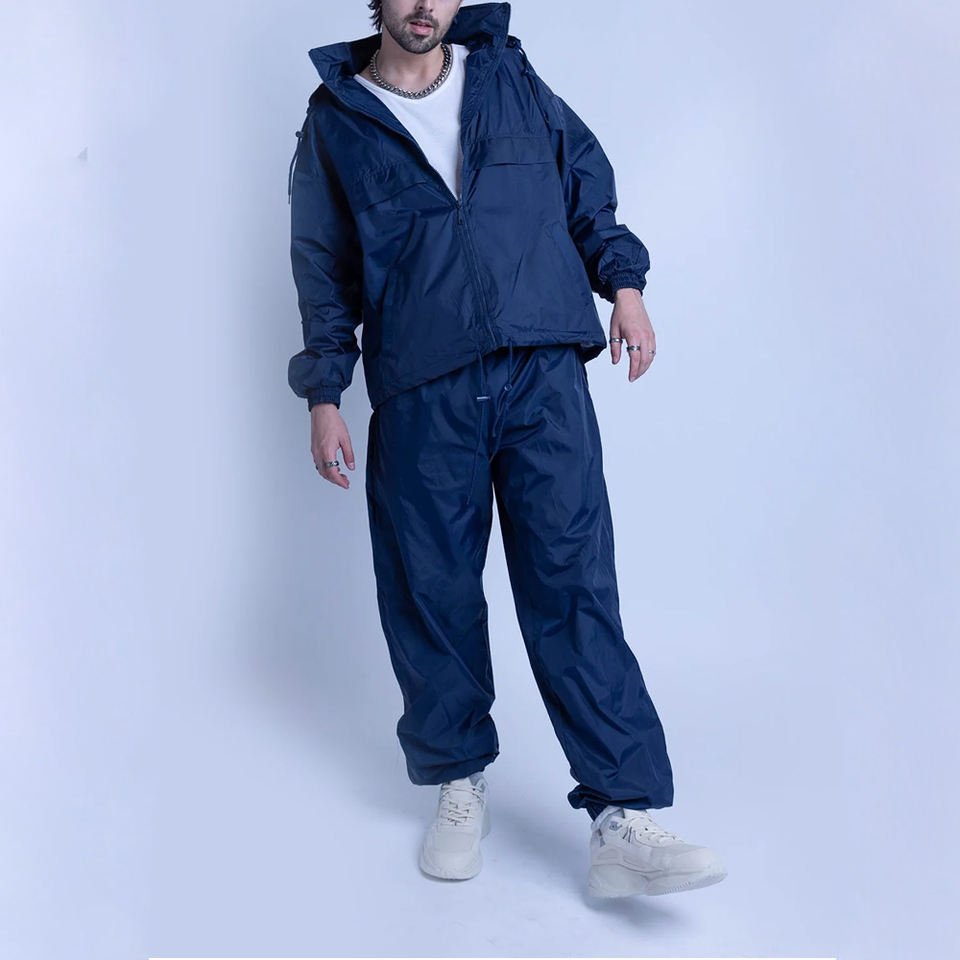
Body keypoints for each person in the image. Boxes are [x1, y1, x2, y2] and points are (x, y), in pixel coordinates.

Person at [287, 0, 726, 898]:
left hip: (541, 367)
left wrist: (624, 285)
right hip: (423, 385)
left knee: (574, 583)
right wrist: (325, 393)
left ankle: (621, 817)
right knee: (431, 591)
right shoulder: (337, 120)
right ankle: (458, 781)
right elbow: (321, 264)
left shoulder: (508, 76)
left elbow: (583, 178)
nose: (426, 6)